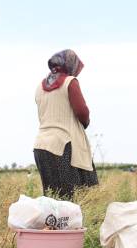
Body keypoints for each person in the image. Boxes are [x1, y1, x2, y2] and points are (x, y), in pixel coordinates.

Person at [33, 49, 98, 197]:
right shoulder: (70, 82)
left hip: (41, 146)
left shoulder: (39, 87)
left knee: (52, 197)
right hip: (64, 146)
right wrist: (85, 123)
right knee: (74, 197)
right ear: (70, 65)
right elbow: (82, 112)